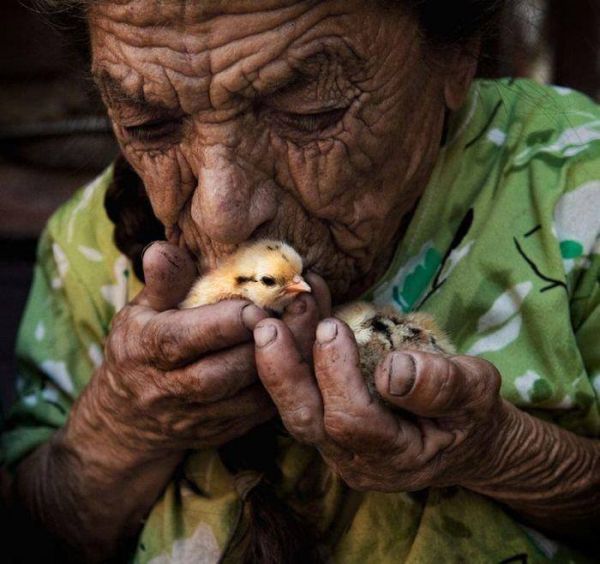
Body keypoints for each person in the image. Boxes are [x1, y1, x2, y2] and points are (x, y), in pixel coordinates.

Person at [2, 0, 599, 562]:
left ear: (456, 54)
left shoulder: (579, 199)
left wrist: (503, 453)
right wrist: (123, 425)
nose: (221, 213)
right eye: (149, 124)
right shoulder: (89, 239)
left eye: (310, 114)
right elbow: (37, 533)